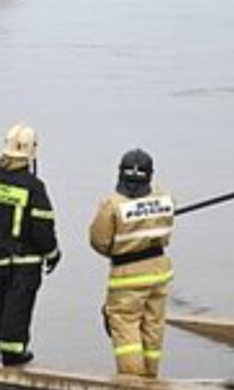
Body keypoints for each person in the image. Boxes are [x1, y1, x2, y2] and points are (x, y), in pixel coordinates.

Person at [0, 123, 62, 367]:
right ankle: (12, 353)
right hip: (26, 261)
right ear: (32, 152)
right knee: (18, 304)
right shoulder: (34, 187)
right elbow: (43, 229)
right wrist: (53, 254)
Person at [88, 148, 175, 378]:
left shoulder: (112, 203)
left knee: (125, 328)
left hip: (128, 273)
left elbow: (98, 240)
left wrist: (117, 250)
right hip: (159, 270)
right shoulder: (165, 199)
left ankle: (132, 381)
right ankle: (150, 376)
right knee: (153, 326)